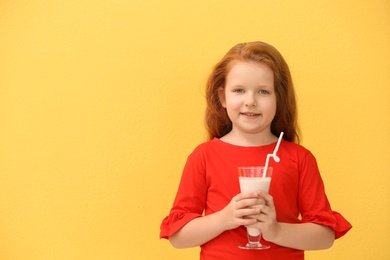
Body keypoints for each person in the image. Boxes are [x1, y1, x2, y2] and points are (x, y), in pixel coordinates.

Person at [160, 41, 352, 259]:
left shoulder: (299, 158)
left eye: (263, 91)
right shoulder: (203, 156)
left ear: (279, 98)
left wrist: (276, 230)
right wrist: (225, 218)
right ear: (223, 97)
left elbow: (324, 237)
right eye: (239, 90)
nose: (250, 101)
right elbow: (178, 237)